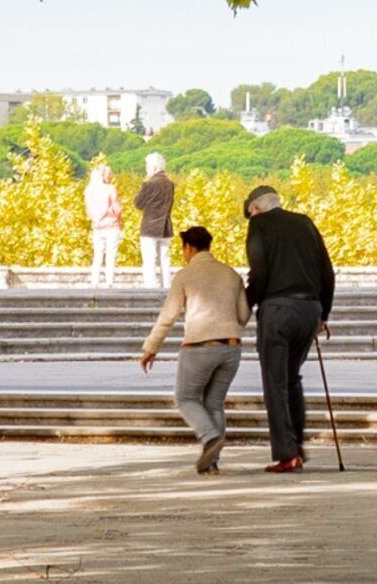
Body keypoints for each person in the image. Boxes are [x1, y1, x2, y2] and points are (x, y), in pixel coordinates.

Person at [242, 183, 337, 472]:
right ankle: (296, 443)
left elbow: (259, 273)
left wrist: (245, 306)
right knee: (291, 378)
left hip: (278, 310)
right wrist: (324, 313)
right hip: (309, 309)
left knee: (275, 381)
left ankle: (287, 453)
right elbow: (326, 271)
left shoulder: (259, 225)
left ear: (255, 209)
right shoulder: (305, 223)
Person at [138, 223, 247, 472]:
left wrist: (151, 347)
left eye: (183, 249)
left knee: (186, 398)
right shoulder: (231, 274)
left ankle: (209, 437)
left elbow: (168, 316)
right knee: (214, 403)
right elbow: (242, 316)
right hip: (231, 348)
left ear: (189, 247)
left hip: (199, 347)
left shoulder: (185, 275)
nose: (183, 254)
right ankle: (213, 462)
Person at [134, 153, 178, 286]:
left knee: (149, 260)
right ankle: (166, 286)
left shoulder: (149, 184)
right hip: (165, 226)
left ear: (153, 167)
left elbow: (138, 203)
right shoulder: (170, 184)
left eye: (147, 166)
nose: (146, 169)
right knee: (165, 259)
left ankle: (151, 287)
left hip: (150, 227)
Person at [82, 157, 122, 278]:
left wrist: (96, 220)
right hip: (111, 226)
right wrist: (117, 218)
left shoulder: (89, 191)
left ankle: (94, 280)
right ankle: (109, 281)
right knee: (111, 255)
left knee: (97, 255)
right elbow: (117, 208)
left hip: (97, 227)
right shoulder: (110, 189)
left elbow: (88, 210)